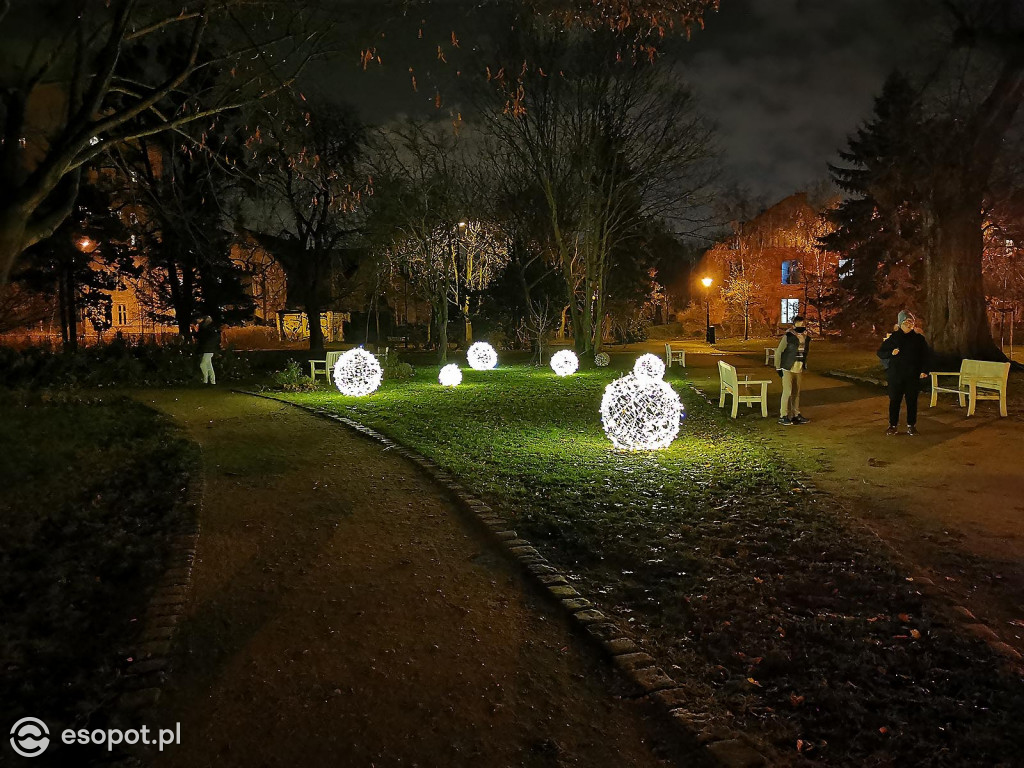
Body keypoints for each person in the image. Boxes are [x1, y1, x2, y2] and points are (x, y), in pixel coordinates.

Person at [877, 310, 930, 435]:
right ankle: (893, 425)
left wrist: (924, 370)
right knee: (895, 400)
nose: (908, 324)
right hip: (896, 375)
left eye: (910, 322)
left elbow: (926, 356)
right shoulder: (894, 338)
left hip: (912, 375)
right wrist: (891, 353)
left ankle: (911, 425)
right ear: (900, 323)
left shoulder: (918, 339)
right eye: (906, 322)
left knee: (912, 401)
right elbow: (880, 352)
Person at [775, 314, 811, 425]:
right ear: (794, 325)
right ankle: (783, 415)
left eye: (803, 324)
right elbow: (779, 352)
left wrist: (804, 364)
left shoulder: (806, 338)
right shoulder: (788, 336)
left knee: (796, 392)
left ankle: (796, 414)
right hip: (787, 367)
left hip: (798, 368)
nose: (801, 326)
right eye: (799, 324)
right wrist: (778, 368)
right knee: (788, 391)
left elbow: (805, 352)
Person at [196, 316, 220, 385]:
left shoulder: (207, 328)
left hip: (208, 349)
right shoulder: (210, 328)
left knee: (203, 365)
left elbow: (202, 337)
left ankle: (205, 380)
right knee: (209, 365)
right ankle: (212, 381)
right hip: (209, 349)